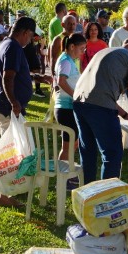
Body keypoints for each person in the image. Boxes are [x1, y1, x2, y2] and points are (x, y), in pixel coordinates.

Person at [0, 16, 53, 207]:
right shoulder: (13, 48)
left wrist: (38, 77)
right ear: (25, 32)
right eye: (31, 36)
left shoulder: (5, 45)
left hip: (4, 105)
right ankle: (5, 195)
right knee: (11, 153)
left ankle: (12, 190)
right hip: (8, 107)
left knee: (16, 150)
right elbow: (7, 78)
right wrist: (14, 103)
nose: (30, 41)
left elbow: (15, 74)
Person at [72, 38, 128, 184]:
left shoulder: (105, 52)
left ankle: (87, 195)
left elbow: (101, 92)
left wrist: (126, 115)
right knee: (112, 153)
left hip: (79, 101)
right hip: (99, 107)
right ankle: (107, 197)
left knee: (88, 152)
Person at [54, 33, 87, 161]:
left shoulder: (69, 60)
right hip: (65, 109)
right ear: (72, 46)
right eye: (81, 49)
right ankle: (63, 175)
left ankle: (65, 174)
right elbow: (61, 81)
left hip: (66, 108)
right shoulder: (66, 61)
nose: (83, 52)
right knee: (69, 147)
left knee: (72, 145)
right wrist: (76, 96)